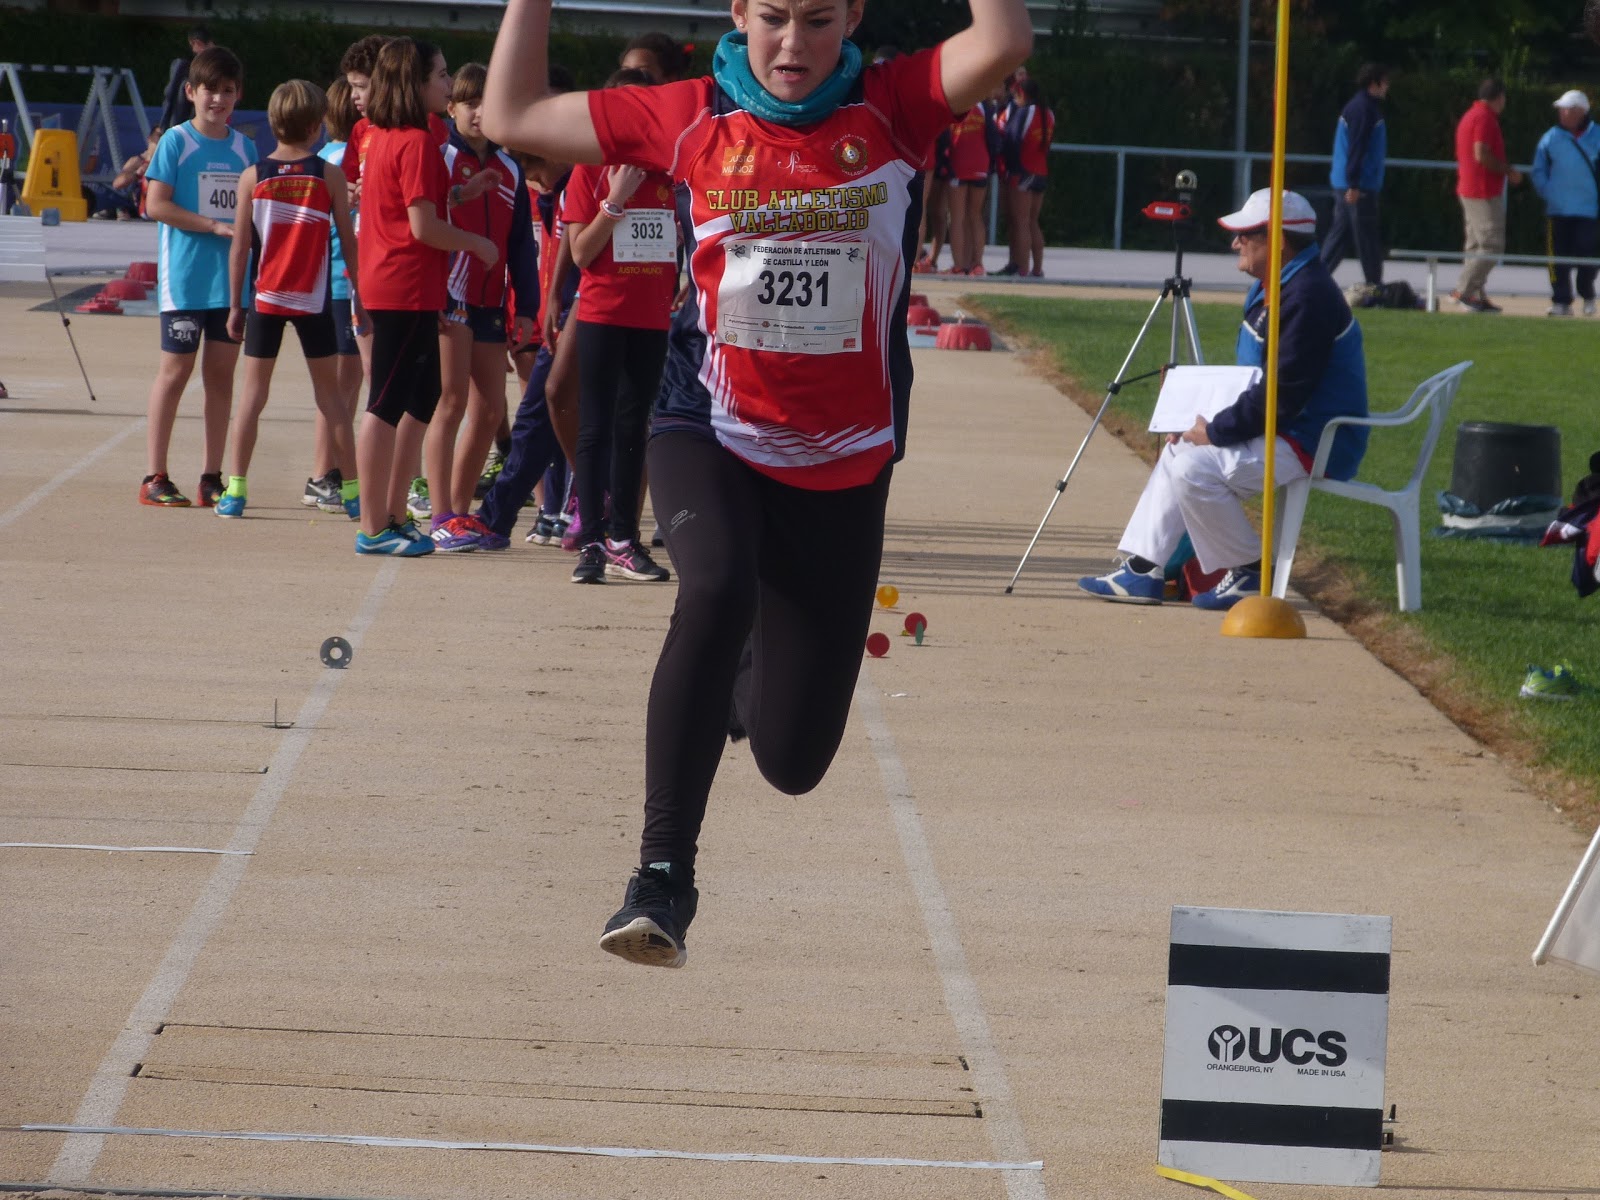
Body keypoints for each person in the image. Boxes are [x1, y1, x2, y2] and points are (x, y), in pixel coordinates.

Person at [483, 0, 1033, 967]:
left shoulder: (896, 105)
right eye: (773, 16)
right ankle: (661, 877)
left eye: (818, 20)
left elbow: (1003, 43)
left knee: (792, 760)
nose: (792, 43)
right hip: (709, 424)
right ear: (738, 12)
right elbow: (511, 114)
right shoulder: (687, 111)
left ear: (852, 15)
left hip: (843, 460)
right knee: (715, 588)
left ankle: (740, 680)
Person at [1078, 190, 1369, 610]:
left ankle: (1250, 572)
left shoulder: (1306, 297)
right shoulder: (1280, 285)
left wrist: (1215, 431)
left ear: (1276, 241)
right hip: (1288, 428)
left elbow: (1281, 396)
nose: (1235, 243)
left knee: (1194, 469)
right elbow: (1257, 384)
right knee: (1179, 450)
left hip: (1314, 440)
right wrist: (1198, 419)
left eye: (1245, 234)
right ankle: (1142, 570)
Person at [354, 37, 497, 556]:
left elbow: (412, 206)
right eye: (440, 74)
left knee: (419, 400)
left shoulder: (392, 137)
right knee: (385, 405)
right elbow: (422, 227)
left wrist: (461, 194)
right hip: (402, 285)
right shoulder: (414, 141)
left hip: (407, 286)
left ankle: (393, 514)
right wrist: (476, 242)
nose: (447, 83)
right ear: (414, 84)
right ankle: (374, 526)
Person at [217, 80, 362, 522]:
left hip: (266, 298)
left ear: (272, 122)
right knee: (331, 398)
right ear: (318, 126)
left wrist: (235, 306)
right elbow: (349, 242)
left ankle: (236, 489)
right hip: (314, 299)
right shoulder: (329, 175)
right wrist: (360, 294)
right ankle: (353, 492)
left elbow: (240, 248)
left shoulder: (253, 176)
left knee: (252, 396)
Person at [561, 66, 677, 584]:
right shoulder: (590, 169)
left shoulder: (670, 170)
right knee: (596, 428)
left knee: (635, 429)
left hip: (651, 317)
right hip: (603, 315)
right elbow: (581, 254)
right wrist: (615, 200)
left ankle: (623, 541)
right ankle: (590, 542)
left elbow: (688, 232)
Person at [426, 63, 539, 552]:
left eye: (486, 104)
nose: (478, 113)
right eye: (469, 103)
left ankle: (459, 512)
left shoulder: (511, 169)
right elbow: (424, 222)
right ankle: (439, 514)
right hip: (450, 296)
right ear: (451, 107)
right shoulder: (440, 157)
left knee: (491, 408)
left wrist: (527, 308)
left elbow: (521, 246)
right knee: (451, 402)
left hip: (491, 300)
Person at [139, 46, 256, 509]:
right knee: (175, 372)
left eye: (228, 90)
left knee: (221, 378)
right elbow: (155, 205)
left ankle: (211, 477)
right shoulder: (176, 141)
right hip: (185, 281)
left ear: (238, 94)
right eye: (210, 90)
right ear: (190, 92)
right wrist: (211, 225)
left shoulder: (245, 148)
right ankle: (155, 476)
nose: (218, 99)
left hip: (230, 285)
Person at [303, 76, 365, 513]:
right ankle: (324, 472)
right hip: (344, 279)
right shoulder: (341, 158)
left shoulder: (323, 156)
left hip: (334, 277)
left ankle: (330, 470)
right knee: (343, 384)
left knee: (342, 383)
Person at [1453, 79, 1522, 314]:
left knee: (1475, 246)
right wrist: (1508, 171)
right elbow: (1481, 153)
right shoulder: (1484, 118)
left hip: (1470, 188)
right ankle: (1464, 290)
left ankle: (1475, 295)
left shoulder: (1471, 115)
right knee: (1492, 245)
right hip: (1482, 191)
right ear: (1499, 97)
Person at [1531, 90, 1600, 318]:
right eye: (1561, 109)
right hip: (1558, 210)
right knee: (1557, 258)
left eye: (1567, 109)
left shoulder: (1597, 136)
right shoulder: (1551, 137)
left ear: (1580, 112)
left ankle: (1587, 293)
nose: (1562, 113)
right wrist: (1549, 192)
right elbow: (1539, 170)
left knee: (1587, 255)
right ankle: (1561, 301)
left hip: (1589, 210)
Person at [1321, 63, 1389, 292]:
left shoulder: (1362, 107)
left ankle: (1315, 277)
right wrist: (1354, 183)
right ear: (1374, 83)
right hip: (1358, 185)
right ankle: (1374, 284)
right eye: (1384, 82)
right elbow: (1357, 147)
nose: (1387, 87)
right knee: (1366, 236)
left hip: (1351, 182)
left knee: (1341, 235)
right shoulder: (1363, 110)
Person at [1000, 75, 1052, 277]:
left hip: (1022, 170)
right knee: (1032, 221)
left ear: (1022, 93)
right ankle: (1037, 269)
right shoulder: (1048, 113)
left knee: (1020, 221)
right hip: (1041, 170)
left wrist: (1009, 167)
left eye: (1015, 95)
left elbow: (1012, 139)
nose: (1014, 99)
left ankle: (1021, 268)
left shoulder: (1024, 112)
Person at [86, 127, 160, 220]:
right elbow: (117, 184)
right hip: (140, 207)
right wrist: (137, 173)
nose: (161, 140)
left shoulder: (170, 162)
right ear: (149, 138)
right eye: (159, 136)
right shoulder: (137, 161)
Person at [156, 25, 214, 133]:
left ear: (197, 43)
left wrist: (164, 124)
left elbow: (170, 95)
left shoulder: (185, 67)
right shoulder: (221, 65)